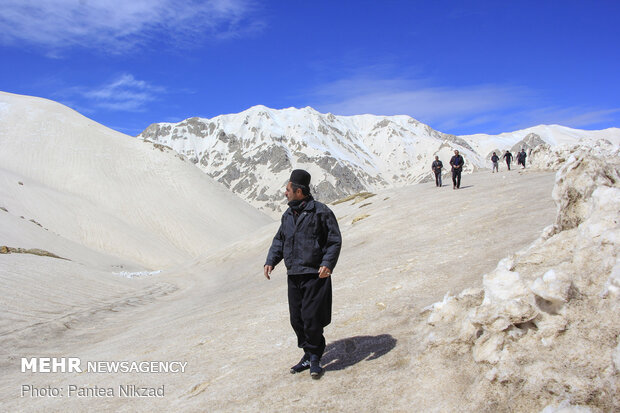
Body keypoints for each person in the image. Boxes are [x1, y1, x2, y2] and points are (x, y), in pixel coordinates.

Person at [264, 169, 342, 380]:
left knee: (311, 318)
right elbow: (280, 240)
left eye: (288, 189)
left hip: (315, 274)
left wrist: (327, 263)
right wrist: (271, 260)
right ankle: (307, 353)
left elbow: (334, 240)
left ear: (299, 191)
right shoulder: (288, 215)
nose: (284, 193)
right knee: (296, 319)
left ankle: (315, 355)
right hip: (294, 274)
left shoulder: (321, 212)